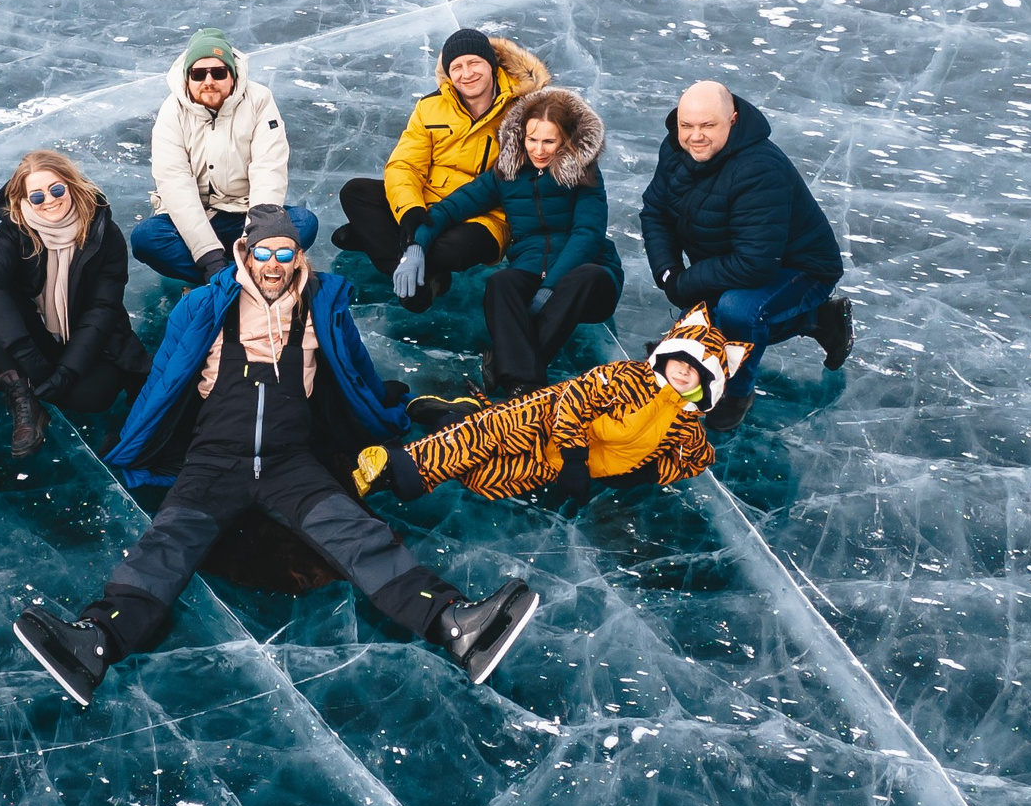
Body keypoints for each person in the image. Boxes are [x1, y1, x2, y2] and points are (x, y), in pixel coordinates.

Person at [9, 208, 542, 707]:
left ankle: (454, 624)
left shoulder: (321, 308)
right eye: (264, 253)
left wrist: (386, 410)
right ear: (245, 252)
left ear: (298, 258)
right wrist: (136, 439)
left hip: (291, 461)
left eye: (285, 254)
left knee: (360, 536)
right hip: (215, 458)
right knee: (168, 542)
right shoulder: (205, 306)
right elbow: (165, 377)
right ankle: (96, 640)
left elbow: (354, 370)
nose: (273, 265)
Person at [356, 311, 746, 510]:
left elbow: (697, 460)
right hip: (545, 416)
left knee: (481, 478)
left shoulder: (687, 426)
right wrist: (576, 459)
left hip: (557, 461)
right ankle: (396, 467)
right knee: (481, 438)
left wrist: (647, 472)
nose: (683, 370)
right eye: (681, 358)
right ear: (666, 354)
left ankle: (457, 413)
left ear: (707, 381)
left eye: (696, 369)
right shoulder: (629, 378)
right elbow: (576, 401)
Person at [639, 82, 851, 432]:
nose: (695, 137)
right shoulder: (676, 150)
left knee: (737, 311)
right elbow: (655, 212)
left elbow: (754, 264)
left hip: (798, 269)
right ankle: (813, 320)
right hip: (731, 260)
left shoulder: (759, 169)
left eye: (708, 126)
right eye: (686, 125)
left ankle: (738, 391)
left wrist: (686, 283)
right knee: (697, 330)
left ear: (733, 120)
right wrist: (668, 274)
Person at [399, 86, 623, 398]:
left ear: (565, 140)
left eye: (549, 141)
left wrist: (550, 287)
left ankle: (508, 368)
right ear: (521, 136)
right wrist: (417, 245)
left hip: (588, 275)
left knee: (586, 277)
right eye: (532, 139)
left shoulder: (585, 175)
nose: (539, 149)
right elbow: (451, 207)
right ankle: (524, 388)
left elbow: (587, 236)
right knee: (501, 283)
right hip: (531, 268)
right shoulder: (506, 173)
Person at [336, 27, 549, 313]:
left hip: (482, 215)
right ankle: (425, 275)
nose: (467, 73)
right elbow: (405, 164)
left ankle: (380, 241)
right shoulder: (430, 107)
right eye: (456, 67)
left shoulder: (525, 113)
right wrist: (411, 211)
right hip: (428, 203)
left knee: (451, 249)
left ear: (492, 65)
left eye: (474, 63)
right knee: (356, 192)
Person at [0, 150, 153, 458]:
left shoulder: (103, 232)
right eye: (37, 196)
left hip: (86, 337)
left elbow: (102, 309)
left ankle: (13, 375)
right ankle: (23, 394)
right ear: (25, 201)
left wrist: (67, 371)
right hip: (34, 336)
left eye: (56, 189)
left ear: (70, 185)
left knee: (94, 397)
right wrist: (28, 356)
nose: (50, 201)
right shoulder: (15, 229)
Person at [131, 29, 316, 286]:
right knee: (147, 238)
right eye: (198, 74)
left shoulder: (259, 101)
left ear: (232, 75)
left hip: (244, 211)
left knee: (304, 223)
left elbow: (268, 172)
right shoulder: (171, 113)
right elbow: (176, 186)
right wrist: (209, 258)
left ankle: (233, 277)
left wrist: (255, 243)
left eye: (218, 73)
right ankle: (234, 279)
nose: (209, 81)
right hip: (196, 216)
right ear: (187, 78)